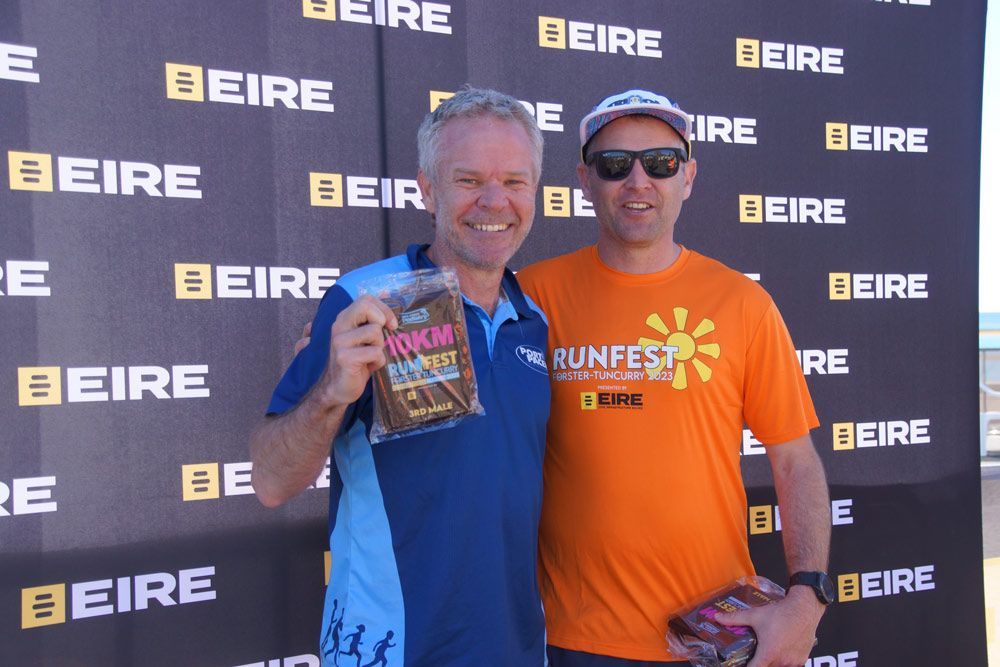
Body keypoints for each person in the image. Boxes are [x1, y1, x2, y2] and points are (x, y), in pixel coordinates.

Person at [515, 90, 832, 666]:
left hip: (710, 635)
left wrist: (807, 596)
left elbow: (794, 459)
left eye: (660, 162)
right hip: (569, 639)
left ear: (687, 176)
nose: (638, 181)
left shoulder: (743, 303)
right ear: (585, 180)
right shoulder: (531, 297)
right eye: (615, 165)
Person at [249, 87, 550, 666]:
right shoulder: (362, 300)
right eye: (468, 180)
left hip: (515, 648)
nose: (495, 201)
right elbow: (270, 481)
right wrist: (332, 394)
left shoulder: (534, 320)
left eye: (514, 181)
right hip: (389, 648)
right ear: (427, 188)